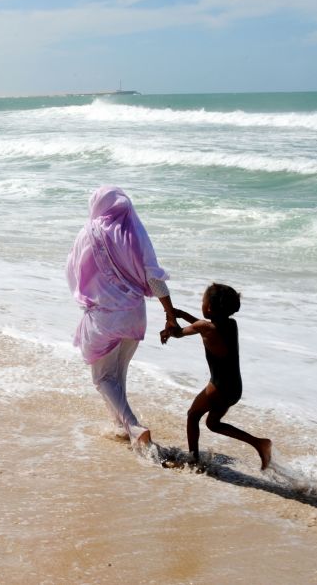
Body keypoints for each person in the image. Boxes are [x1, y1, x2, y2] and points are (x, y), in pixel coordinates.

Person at [66, 185, 179, 449]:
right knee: (118, 374)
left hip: (105, 317)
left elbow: (73, 272)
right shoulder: (132, 230)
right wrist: (170, 314)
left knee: (103, 378)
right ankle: (119, 425)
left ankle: (133, 426)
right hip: (135, 314)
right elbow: (154, 275)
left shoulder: (87, 234)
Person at [161, 283, 273, 469]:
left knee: (192, 416)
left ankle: (193, 459)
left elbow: (179, 333)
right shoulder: (230, 324)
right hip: (234, 387)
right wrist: (181, 314)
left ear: (210, 308)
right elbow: (204, 326)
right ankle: (260, 444)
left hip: (218, 387)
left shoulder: (204, 327)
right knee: (213, 423)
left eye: (203, 301)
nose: (202, 303)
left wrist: (170, 322)